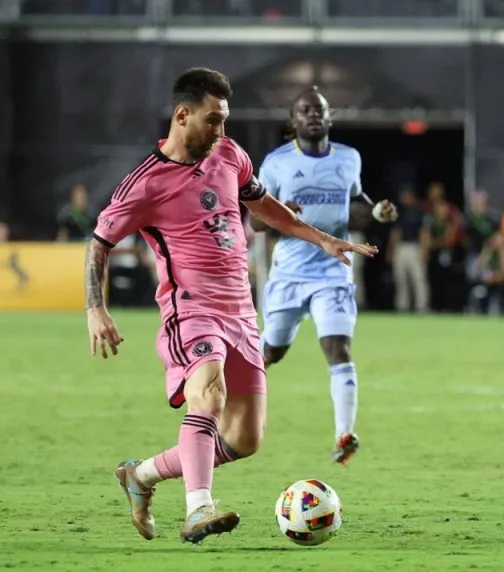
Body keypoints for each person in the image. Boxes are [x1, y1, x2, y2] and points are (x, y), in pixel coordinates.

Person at [85, 68, 376, 544]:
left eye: (225, 120)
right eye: (213, 119)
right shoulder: (145, 182)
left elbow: (263, 206)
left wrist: (322, 239)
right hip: (192, 308)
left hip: (242, 311)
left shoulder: (229, 155)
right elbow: (98, 243)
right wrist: (95, 307)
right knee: (209, 396)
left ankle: (141, 476)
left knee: (244, 438)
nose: (221, 130)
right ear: (183, 115)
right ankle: (199, 508)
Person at [250, 86, 397, 465]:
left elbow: (357, 199)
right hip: (289, 272)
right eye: (305, 110)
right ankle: (236, 412)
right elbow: (256, 219)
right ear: (293, 120)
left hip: (334, 271)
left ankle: (344, 434)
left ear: (330, 118)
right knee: (271, 352)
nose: (313, 115)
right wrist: (280, 210)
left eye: (320, 110)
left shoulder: (349, 158)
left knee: (338, 348)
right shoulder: (277, 162)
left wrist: (377, 210)